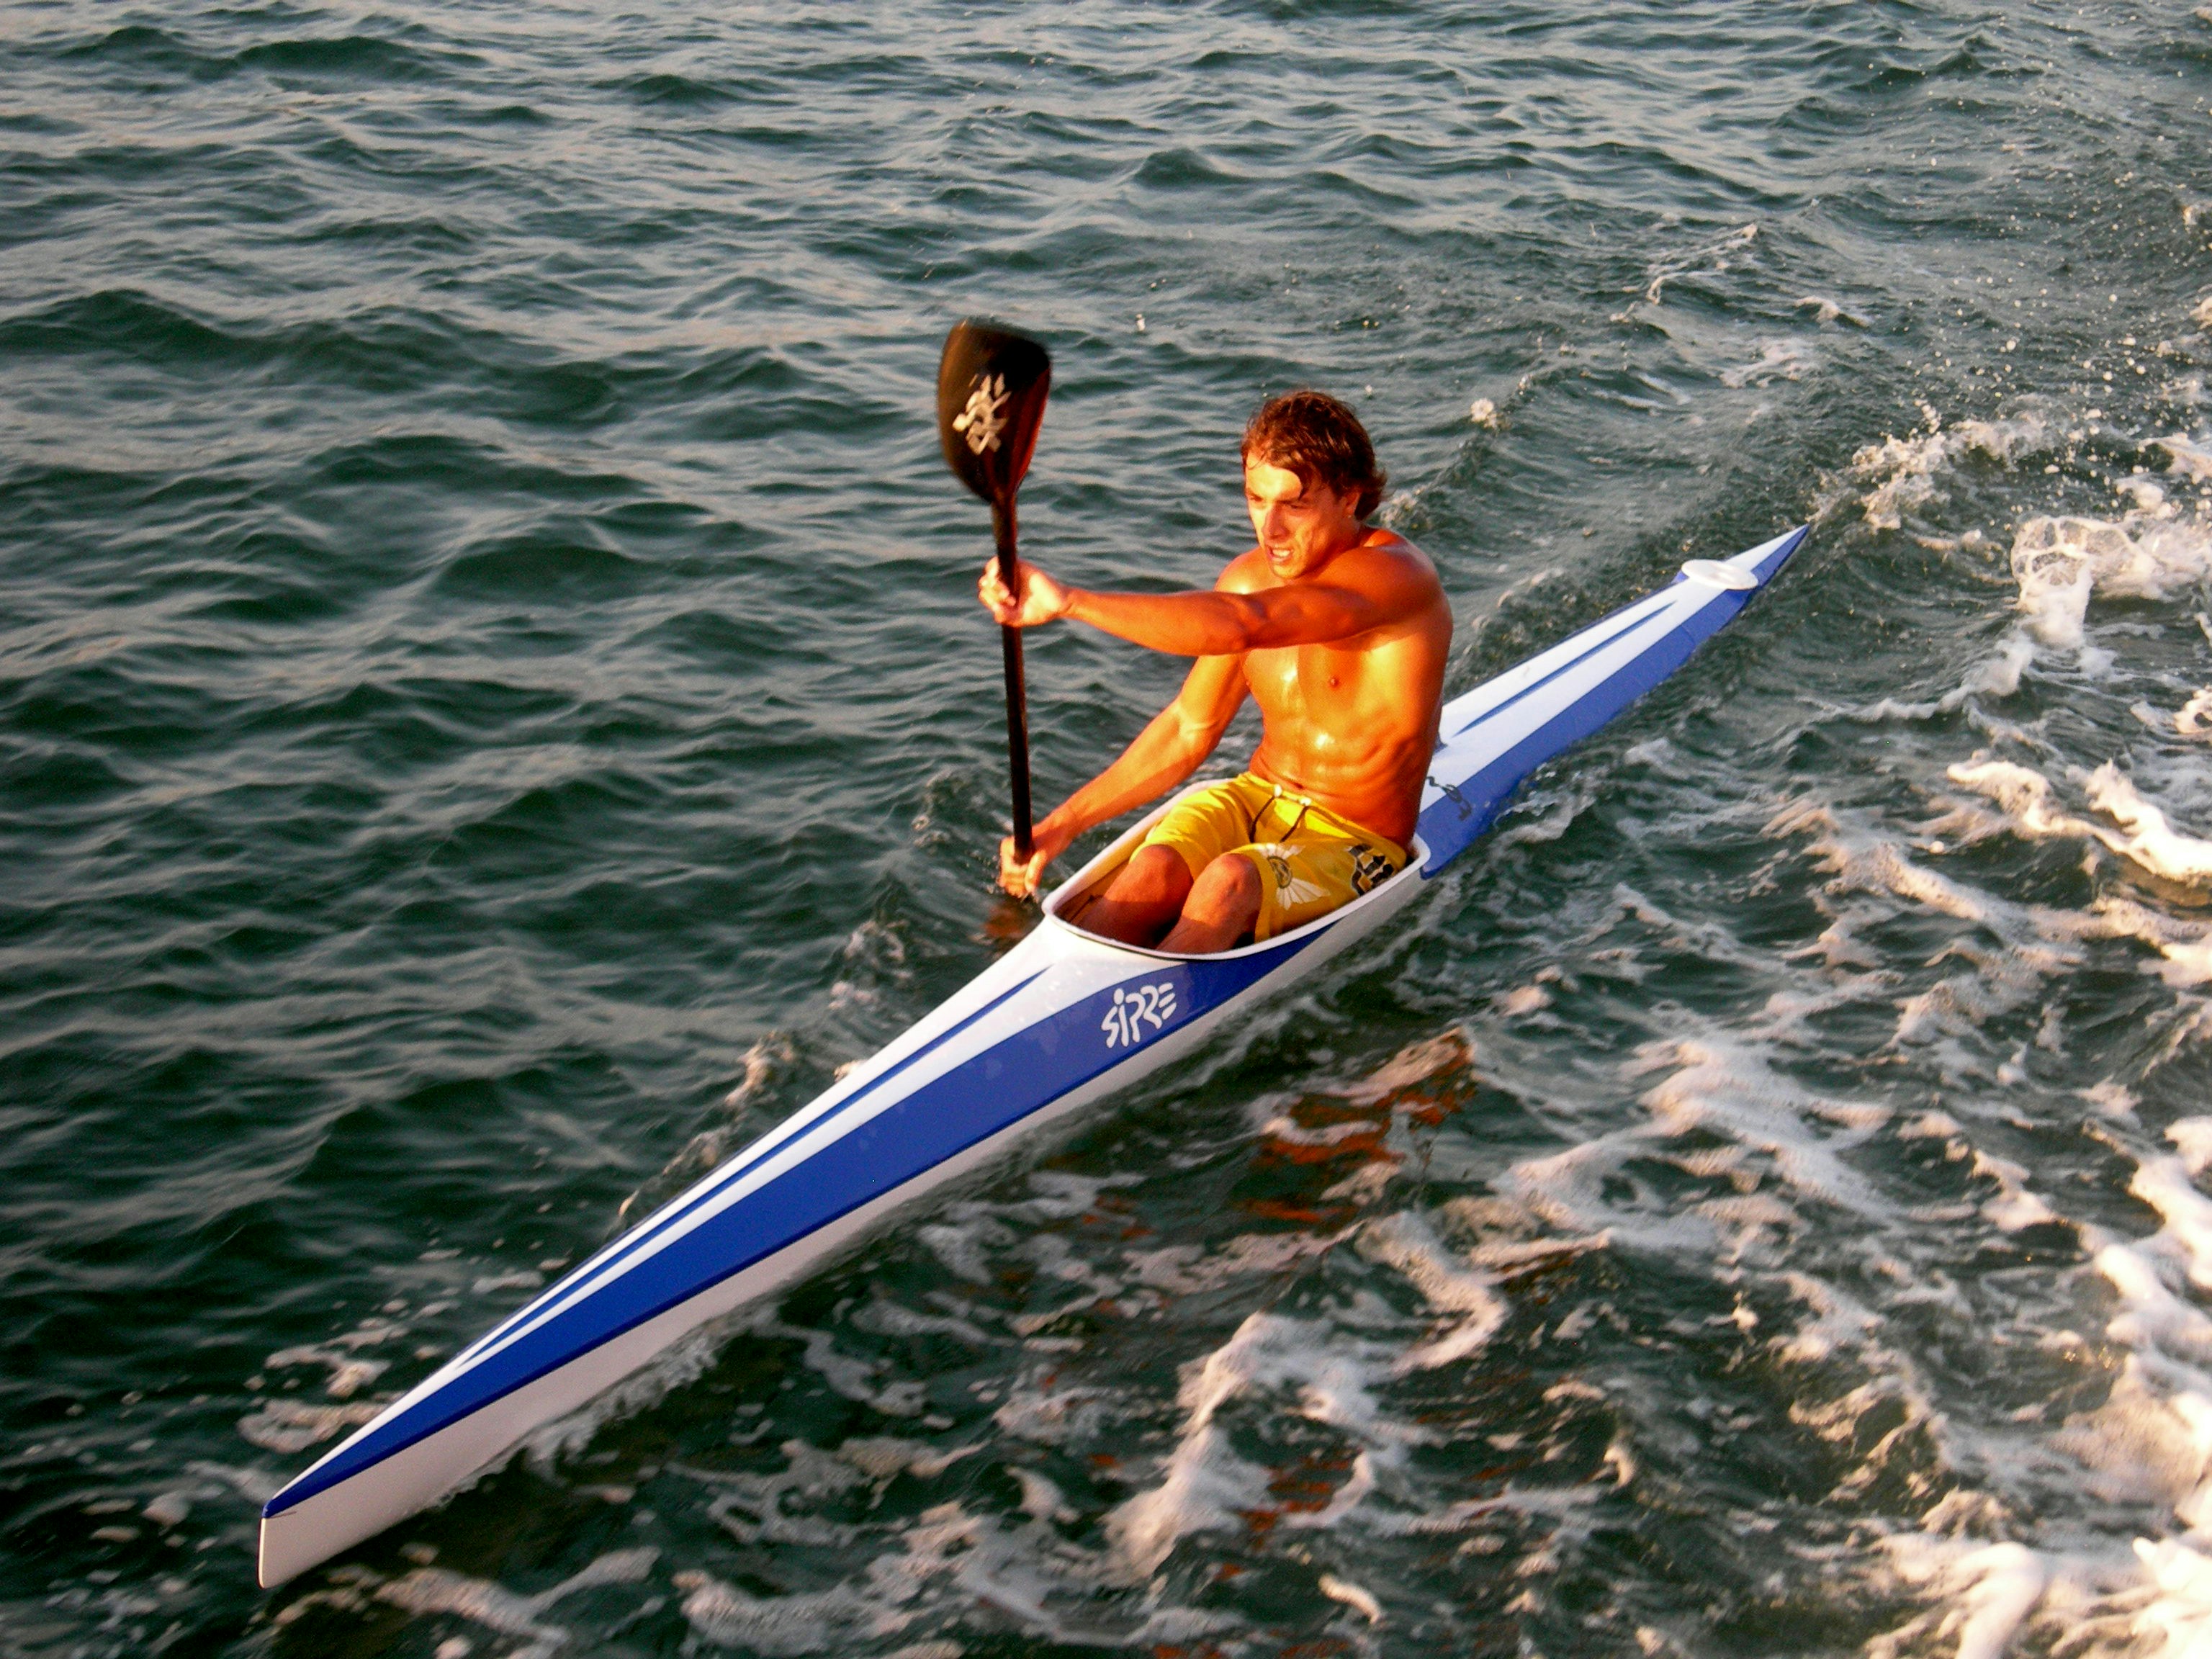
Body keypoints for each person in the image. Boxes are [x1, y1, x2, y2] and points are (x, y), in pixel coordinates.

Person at [977, 389, 1451, 953]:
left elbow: (1244, 625)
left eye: (1293, 505)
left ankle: (1152, 1016)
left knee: (1229, 882)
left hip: (1356, 841)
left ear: (1349, 497)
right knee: (1151, 868)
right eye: (1255, 500)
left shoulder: (1396, 579)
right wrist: (1061, 826)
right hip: (1254, 798)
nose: (1270, 529)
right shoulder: (1247, 578)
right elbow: (1188, 729)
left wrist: (1071, 603)